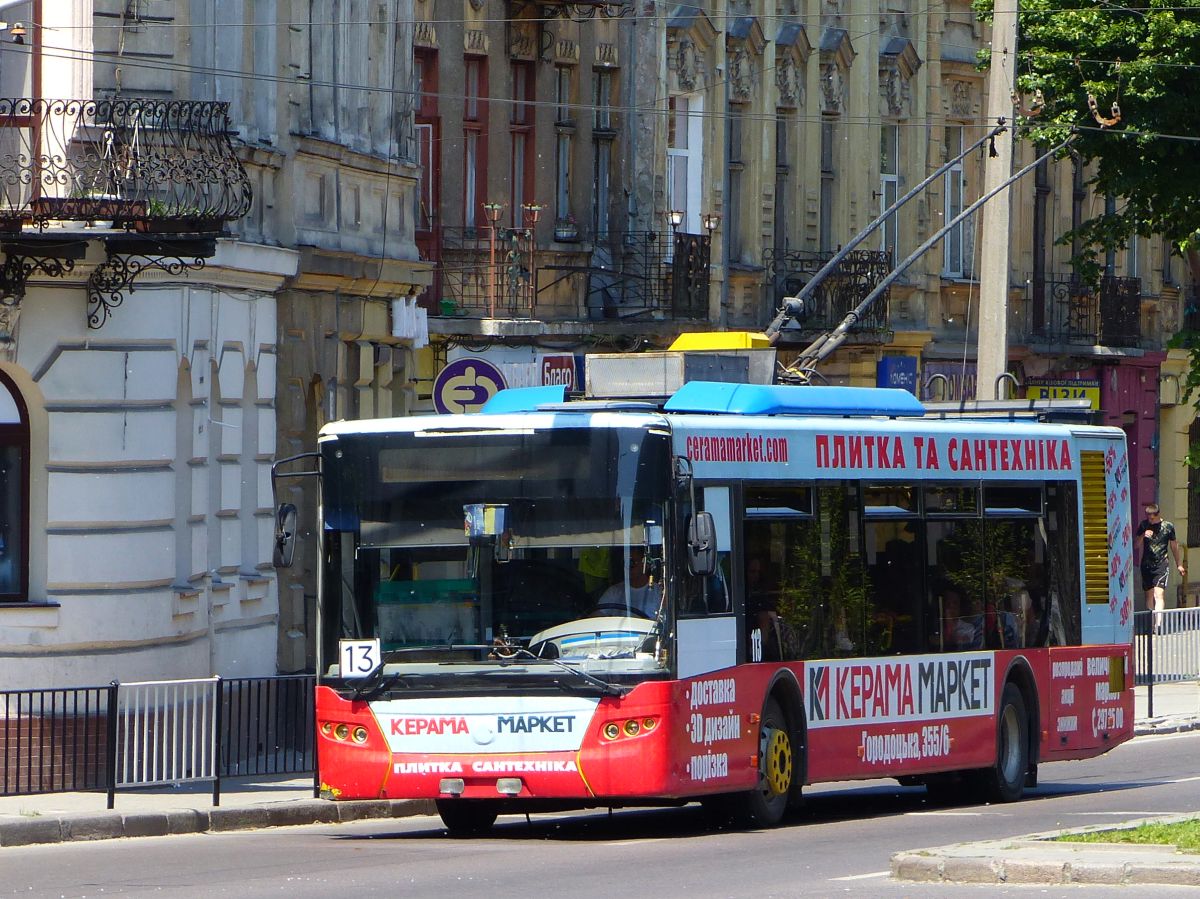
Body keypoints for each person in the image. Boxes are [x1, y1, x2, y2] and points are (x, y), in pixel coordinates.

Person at [1138, 502, 1185, 633]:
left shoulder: (1168, 526)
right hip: (1146, 564)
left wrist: (1179, 564)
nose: (1150, 520)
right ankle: (1151, 624)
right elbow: (1136, 544)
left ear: (1158, 515)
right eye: (1148, 517)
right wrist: (1143, 535)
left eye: (1152, 517)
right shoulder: (1143, 525)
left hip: (1162, 564)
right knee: (1149, 595)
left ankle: (1158, 625)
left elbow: (1174, 546)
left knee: (1159, 594)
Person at [595, 546, 662, 618]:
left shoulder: (659, 592)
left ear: (645, 565)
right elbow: (596, 618)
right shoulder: (614, 591)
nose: (628, 567)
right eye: (625, 563)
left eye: (632, 563)